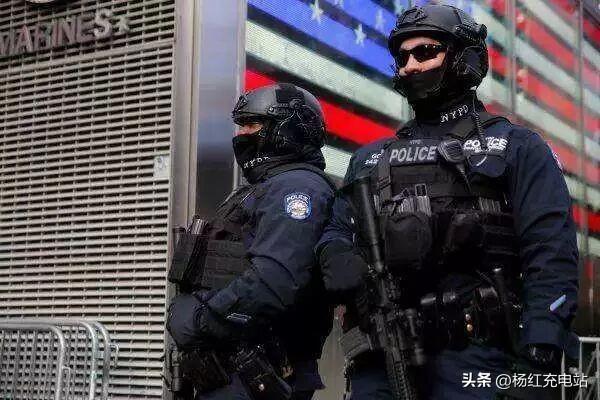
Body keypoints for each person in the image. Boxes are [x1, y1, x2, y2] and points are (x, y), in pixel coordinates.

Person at [317, 4, 578, 400]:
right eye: (402, 57)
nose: (410, 66)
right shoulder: (370, 159)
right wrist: (336, 254)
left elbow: (551, 256)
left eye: (425, 52)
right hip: (383, 358)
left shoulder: (516, 147)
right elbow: (336, 228)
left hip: (479, 356)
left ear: (463, 59)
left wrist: (539, 356)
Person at [167, 83, 335, 400]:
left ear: (288, 129)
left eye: (252, 124)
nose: (242, 134)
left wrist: (201, 320)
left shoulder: (297, 187)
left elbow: (275, 280)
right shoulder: (258, 189)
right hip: (228, 369)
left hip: (261, 370)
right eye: (241, 125)